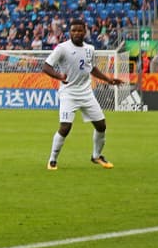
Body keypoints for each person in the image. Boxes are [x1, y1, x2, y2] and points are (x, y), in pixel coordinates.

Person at [41, 18, 124, 171]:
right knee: (65, 127)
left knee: (101, 125)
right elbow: (46, 67)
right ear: (69, 32)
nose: (77, 33)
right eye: (74, 30)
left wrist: (108, 79)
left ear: (85, 32)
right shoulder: (62, 48)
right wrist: (59, 76)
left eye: (80, 30)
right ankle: (52, 159)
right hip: (68, 93)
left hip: (86, 93)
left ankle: (96, 156)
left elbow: (91, 68)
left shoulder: (90, 49)